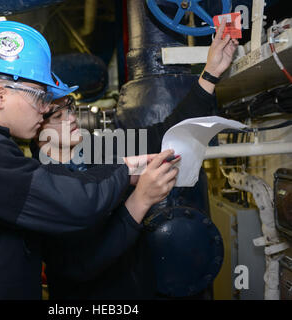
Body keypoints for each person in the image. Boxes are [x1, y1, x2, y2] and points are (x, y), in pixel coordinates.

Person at [0, 21, 174, 299]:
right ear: (0, 96)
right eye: (39, 97)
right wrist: (128, 172)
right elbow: (74, 203)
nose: (44, 109)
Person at [31, 19, 239, 299]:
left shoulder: (98, 149)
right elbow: (77, 267)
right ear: (36, 128)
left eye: (70, 108)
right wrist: (139, 200)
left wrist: (210, 73)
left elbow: (165, 133)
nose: (71, 118)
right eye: (58, 116)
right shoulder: (40, 186)